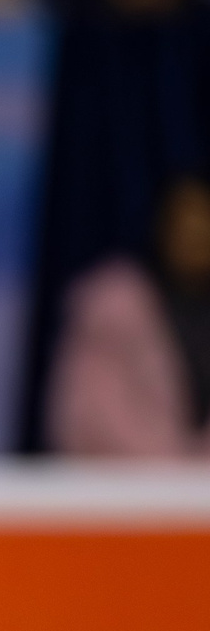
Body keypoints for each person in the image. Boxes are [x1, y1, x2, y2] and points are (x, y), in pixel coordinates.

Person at [50, 177, 210, 459]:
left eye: (204, 226)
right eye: (186, 224)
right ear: (163, 225)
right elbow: (89, 415)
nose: (195, 236)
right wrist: (172, 480)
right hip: (123, 490)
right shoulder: (113, 307)